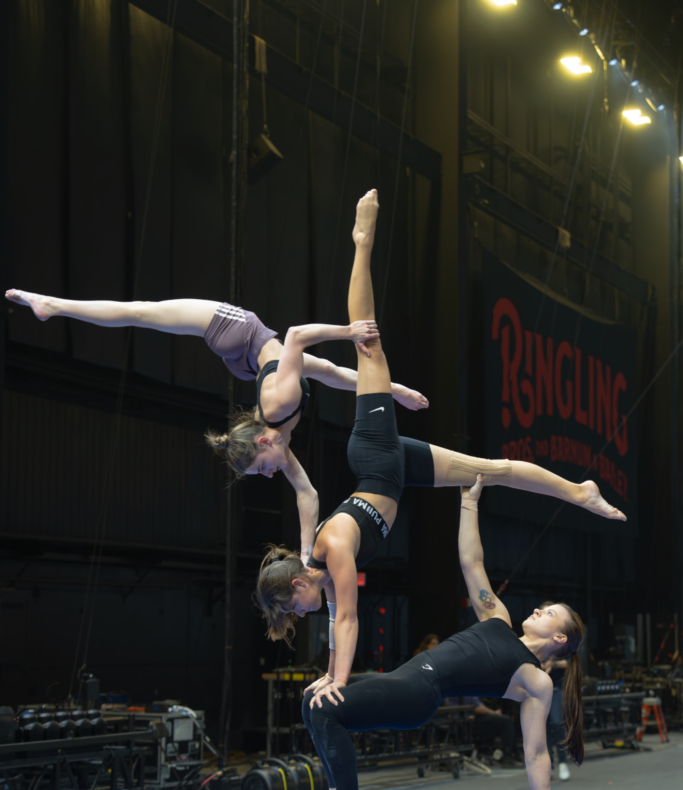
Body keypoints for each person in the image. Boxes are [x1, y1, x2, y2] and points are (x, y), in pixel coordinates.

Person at [255, 189, 626, 684]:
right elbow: (334, 617)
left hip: (377, 459)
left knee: (368, 344)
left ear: (299, 582)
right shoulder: (318, 568)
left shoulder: (335, 548)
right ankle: (580, 491)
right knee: (492, 471)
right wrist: (328, 672)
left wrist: (338, 681)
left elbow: (347, 620)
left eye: (292, 606)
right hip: (395, 472)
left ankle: (362, 241)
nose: (299, 613)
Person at [5, 285, 426, 559]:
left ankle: (52, 306)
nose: (270, 475)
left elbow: (297, 334)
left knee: (143, 312)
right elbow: (308, 493)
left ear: (263, 443)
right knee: (324, 371)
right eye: (264, 473)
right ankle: (52, 305)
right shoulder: (279, 435)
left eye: (262, 469)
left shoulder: (279, 404)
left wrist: (349, 332)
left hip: (239, 332)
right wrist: (304, 555)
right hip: (249, 358)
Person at [298, 473, 589, 790]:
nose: (538, 610)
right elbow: (472, 562)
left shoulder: (536, 681)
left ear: (560, 638)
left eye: (549, 613)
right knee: (313, 700)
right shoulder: (497, 617)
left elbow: (536, 753)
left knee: (328, 710)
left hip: (420, 693)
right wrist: (469, 503)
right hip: (407, 676)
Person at [539, 601, 571, 781]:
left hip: (557, 686)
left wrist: (553, 663)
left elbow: (569, 662)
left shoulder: (561, 637)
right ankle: (549, 765)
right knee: (543, 727)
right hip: (539, 689)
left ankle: (563, 762)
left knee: (557, 723)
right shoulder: (537, 636)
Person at [445, 695, 522, 766]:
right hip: (467, 723)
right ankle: (508, 757)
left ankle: (515, 754)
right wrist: (494, 713)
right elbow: (476, 708)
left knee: (506, 720)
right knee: (506, 722)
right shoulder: (463, 688)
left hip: (470, 720)